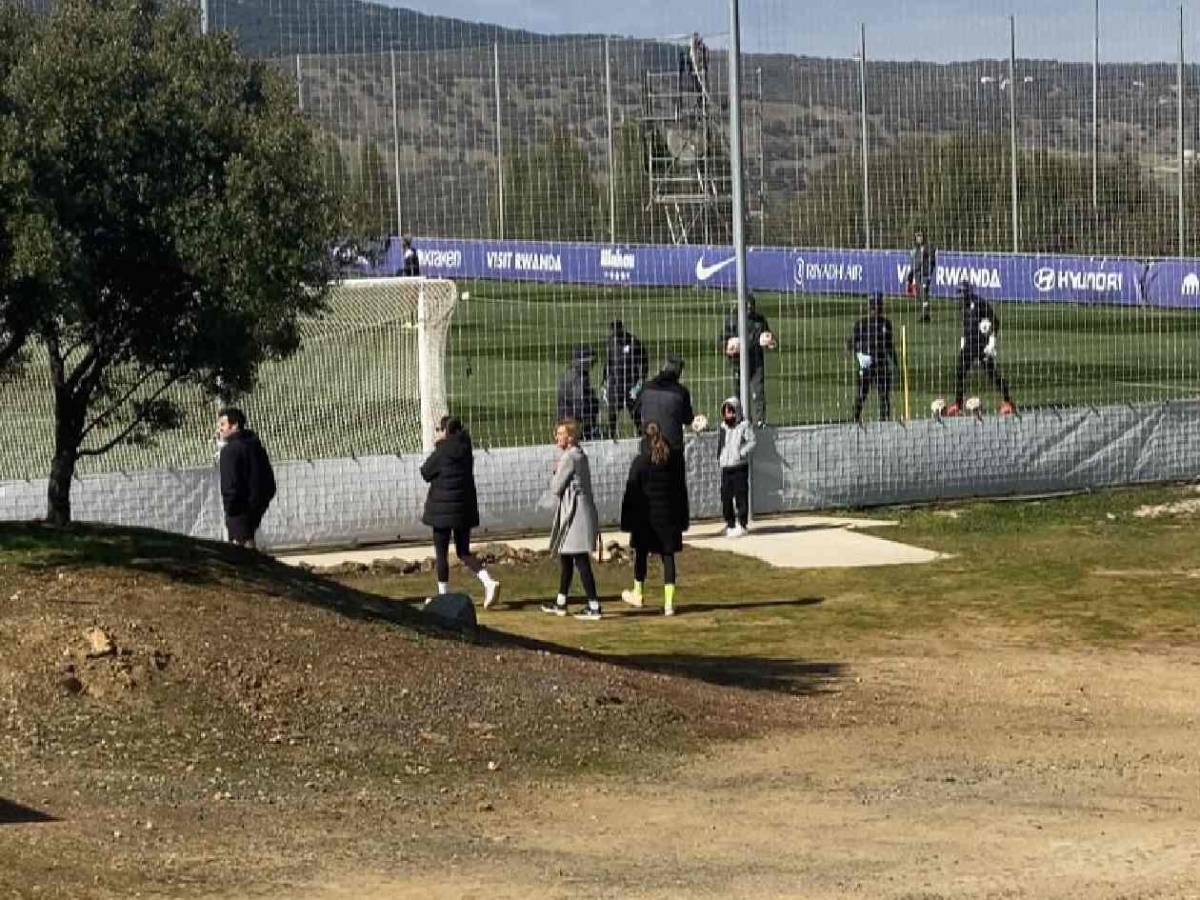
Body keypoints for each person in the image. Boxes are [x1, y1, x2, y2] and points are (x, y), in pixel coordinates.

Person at [419, 415, 501, 608]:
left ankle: (443, 595)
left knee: (441, 553)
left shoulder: (443, 451)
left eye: (439, 429)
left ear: (445, 431)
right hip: (463, 509)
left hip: (442, 510)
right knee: (463, 551)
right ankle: (488, 582)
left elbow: (426, 472)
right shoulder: (465, 449)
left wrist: (438, 446)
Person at [620, 421, 689, 616]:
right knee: (668, 557)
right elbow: (680, 491)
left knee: (641, 554)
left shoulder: (640, 462)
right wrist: (682, 519)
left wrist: (627, 521)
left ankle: (638, 592)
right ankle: (669, 603)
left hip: (645, 518)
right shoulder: (674, 461)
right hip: (669, 517)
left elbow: (631, 493)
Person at [541, 419, 603, 621]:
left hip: (575, 512)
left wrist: (555, 472)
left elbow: (556, 487)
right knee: (566, 557)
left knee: (580, 559)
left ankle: (594, 605)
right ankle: (561, 602)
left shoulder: (569, 458)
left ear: (570, 437)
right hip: (577, 510)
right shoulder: (579, 455)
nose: (556, 437)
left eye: (560, 433)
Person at [944, 281, 1017, 417]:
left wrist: (992, 342)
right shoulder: (962, 307)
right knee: (960, 373)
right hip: (968, 345)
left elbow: (995, 321)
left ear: (967, 293)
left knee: (992, 374)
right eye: (958, 294)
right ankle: (958, 405)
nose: (959, 297)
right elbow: (966, 326)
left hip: (981, 346)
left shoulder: (980, 303)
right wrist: (963, 341)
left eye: (961, 293)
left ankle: (1008, 401)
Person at [216, 407, 276, 550]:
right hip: (255, 508)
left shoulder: (230, 451)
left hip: (238, 511)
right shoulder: (255, 446)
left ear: (235, 425)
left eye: (223, 425)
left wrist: (231, 509)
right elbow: (269, 482)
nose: (220, 429)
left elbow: (230, 484)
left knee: (242, 550)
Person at [720, 293, 776, 427]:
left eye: (752, 307)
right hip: (737, 363)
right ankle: (741, 420)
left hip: (756, 363)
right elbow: (722, 341)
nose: (750, 309)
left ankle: (760, 421)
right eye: (747, 307)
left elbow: (770, 338)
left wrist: (770, 342)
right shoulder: (732, 321)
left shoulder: (760, 320)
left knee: (758, 393)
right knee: (738, 393)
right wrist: (728, 348)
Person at [848, 292, 899, 423]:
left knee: (883, 395)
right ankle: (855, 418)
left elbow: (889, 345)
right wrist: (860, 356)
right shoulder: (862, 324)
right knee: (862, 394)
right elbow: (851, 343)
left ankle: (884, 420)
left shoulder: (885, 324)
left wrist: (895, 363)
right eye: (876, 305)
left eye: (878, 305)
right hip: (868, 364)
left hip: (880, 363)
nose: (877, 308)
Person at [602, 320, 648, 439]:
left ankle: (641, 436)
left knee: (635, 411)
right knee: (612, 412)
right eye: (613, 331)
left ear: (622, 328)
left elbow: (643, 361)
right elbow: (608, 361)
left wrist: (641, 379)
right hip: (615, 383)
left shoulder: (633, 342)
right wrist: (605, 378)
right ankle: (611, 437)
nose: (615, 333)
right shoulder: (610, 342)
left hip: (631, 384)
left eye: (617, 330)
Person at [717, 397, 756, 537]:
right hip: (726, 466)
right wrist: (720, 458)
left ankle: (742, 524)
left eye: (731, 412)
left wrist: (741, 453)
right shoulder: (723, 426)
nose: (729, 415)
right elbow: (721, 444)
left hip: (739, 466)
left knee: (741, 496)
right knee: (725, 497)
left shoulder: (744, 425)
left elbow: (752, 441)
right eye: (726, 412)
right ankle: (730, 523)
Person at [556, 344, 601, 441]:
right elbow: (580, 406)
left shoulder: (569, 374)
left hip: (565, 423)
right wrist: (594, 405)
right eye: (591, 362)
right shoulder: (580, 378)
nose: (592, 365)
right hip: (574, 427)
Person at [906, 229, 937, 323]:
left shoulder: (928, 248)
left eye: (920, 236)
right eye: (917, 236)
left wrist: (929, 275)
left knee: (924, 294)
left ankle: (925, 315)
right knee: (919, 295)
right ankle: (924, 314)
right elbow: (913, 263)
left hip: (924, 274)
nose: (919, 238)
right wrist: (910, 275)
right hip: (917, 275)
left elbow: (932, 262)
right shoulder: (914, 250)